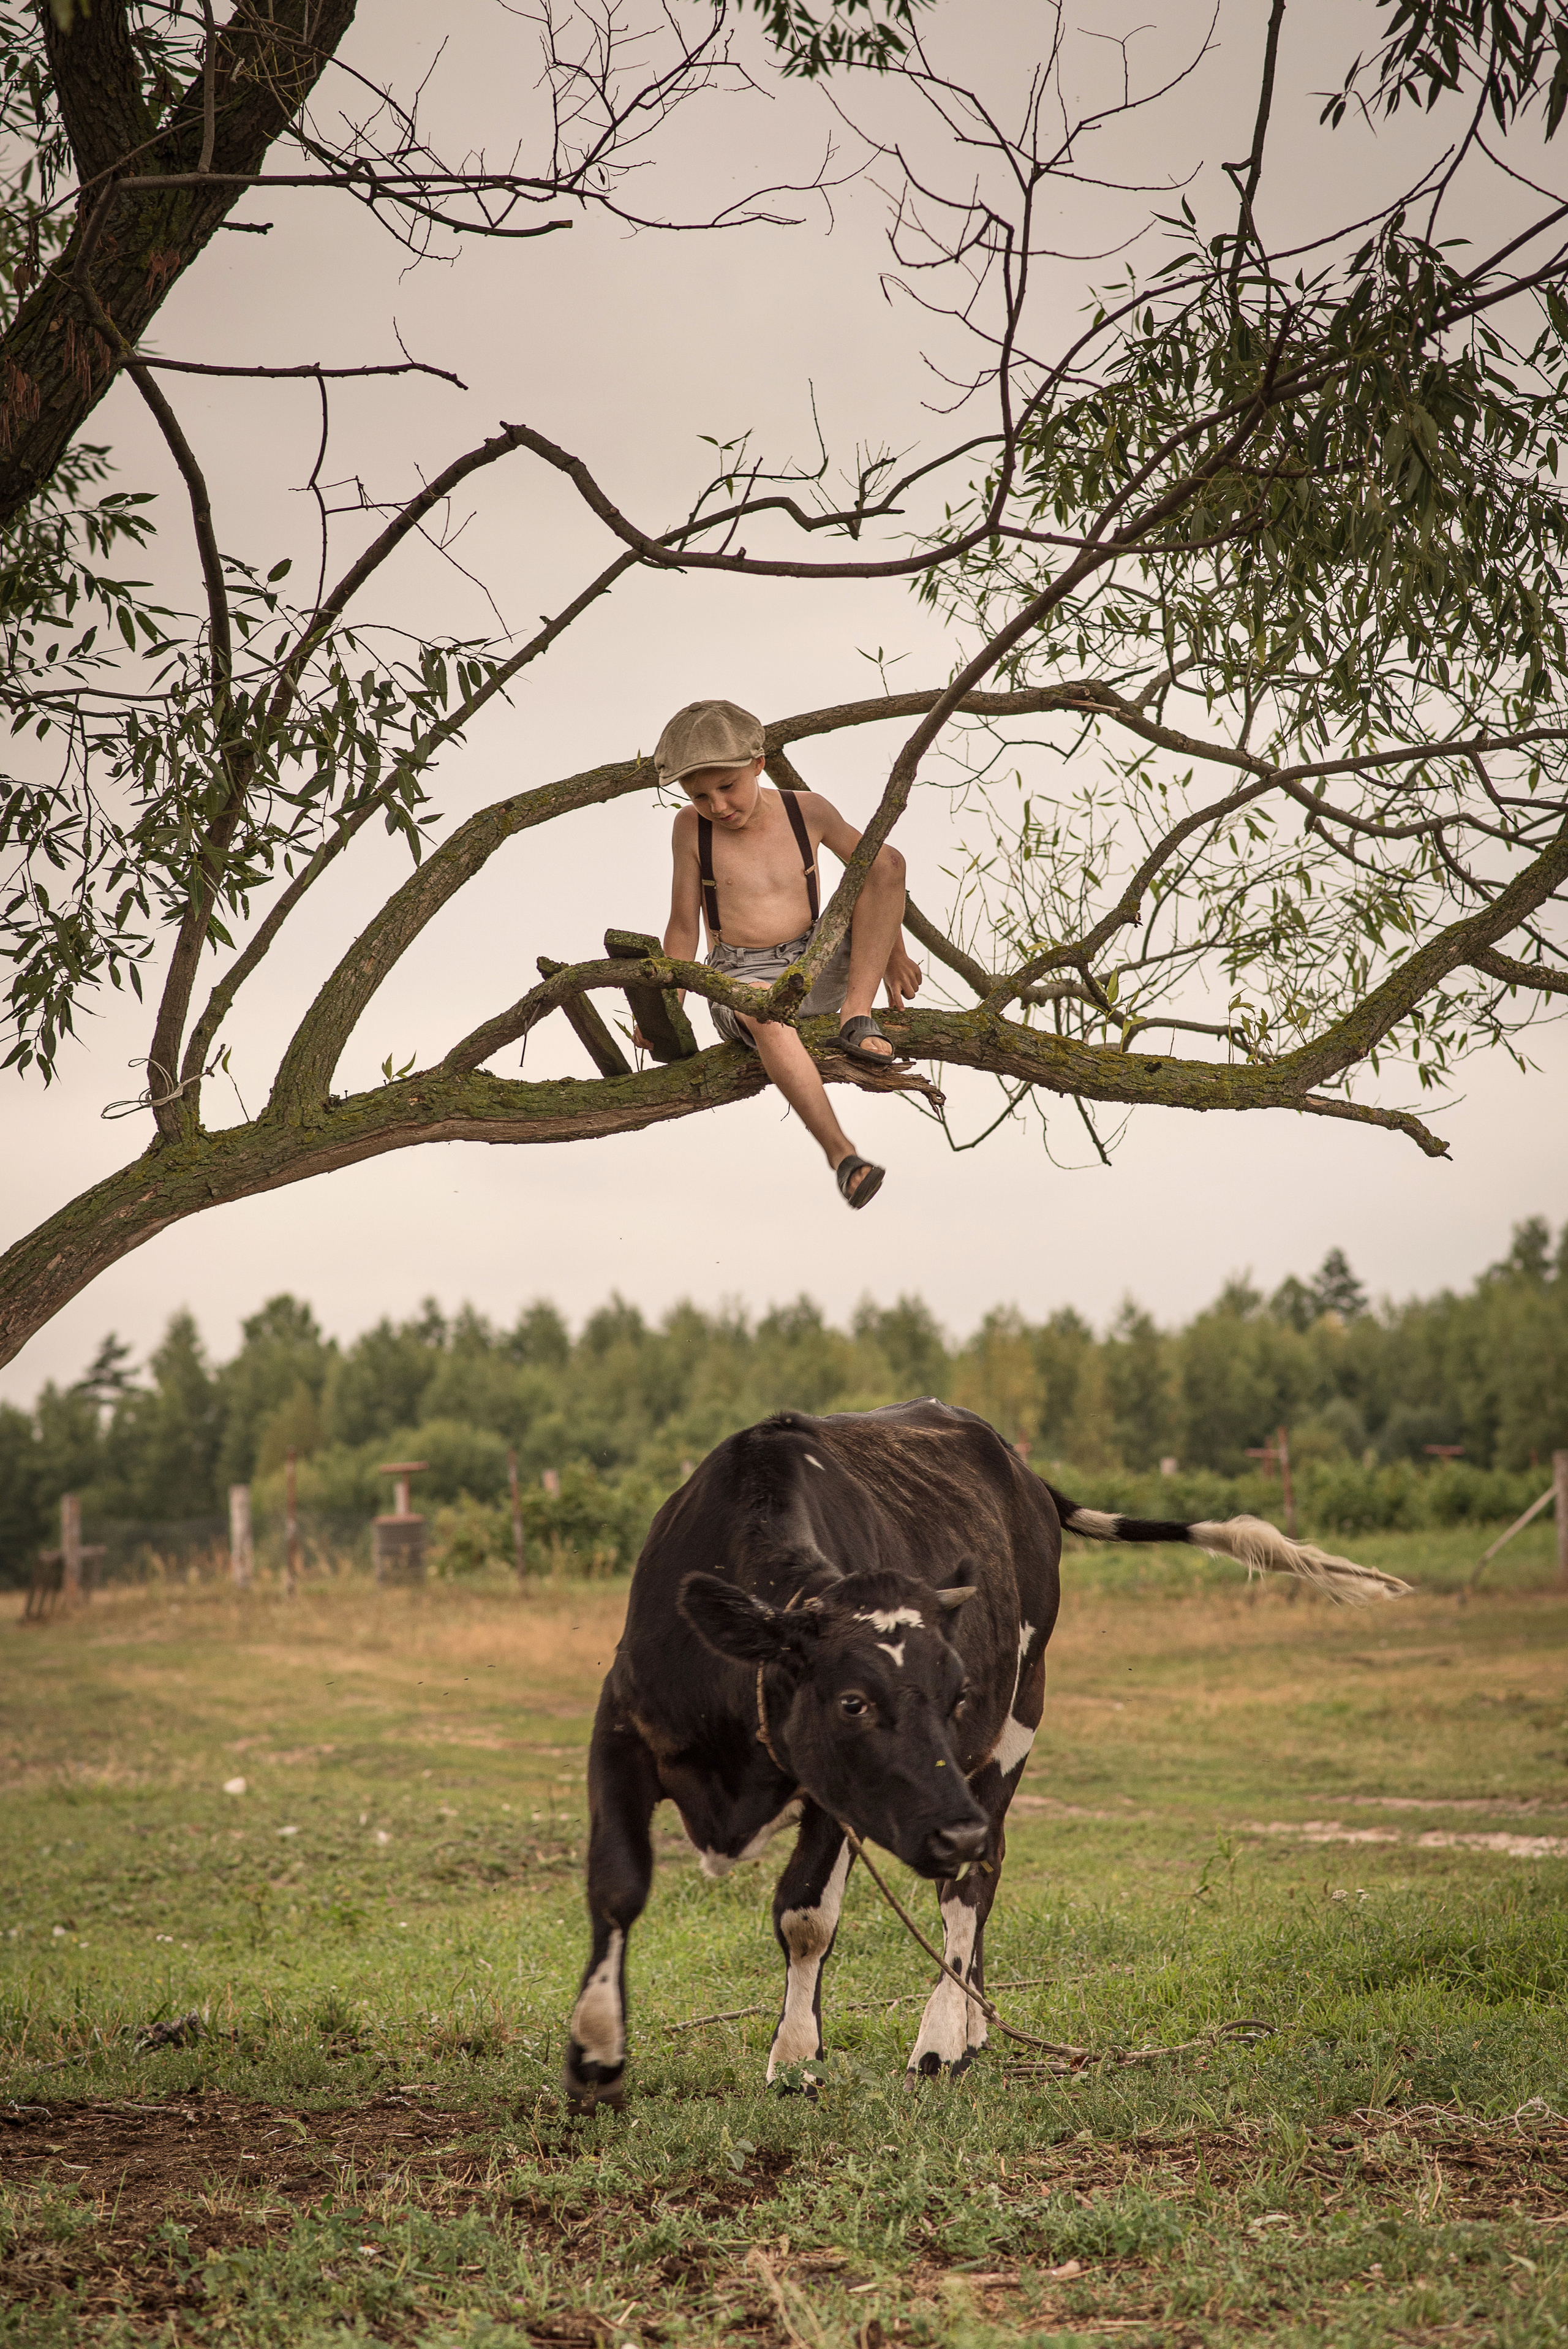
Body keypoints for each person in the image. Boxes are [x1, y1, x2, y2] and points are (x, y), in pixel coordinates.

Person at [644, 698, 922, 1210]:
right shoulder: (691, 829)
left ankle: (855, 1017)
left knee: (887, 860)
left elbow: (877, 877)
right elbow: (683, 927)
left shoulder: (807, 809)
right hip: (742, 977)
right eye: (700, 795)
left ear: (758, 764)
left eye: (727, 787)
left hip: (817, 958)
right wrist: (667, 1007)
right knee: (764, 1014)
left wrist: (892, 954)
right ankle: (843, 1157)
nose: (719, 806)